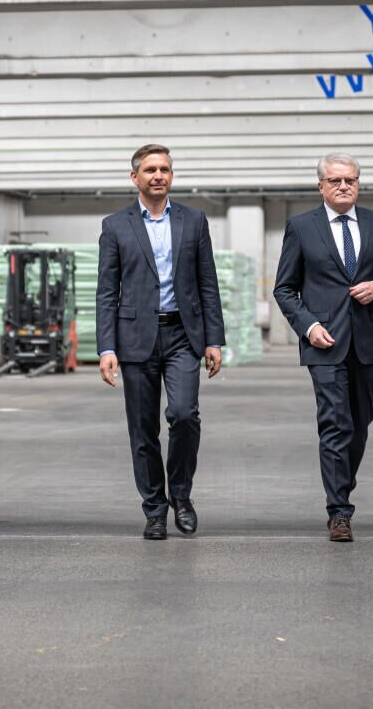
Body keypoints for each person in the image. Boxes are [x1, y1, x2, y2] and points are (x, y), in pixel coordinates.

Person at [96, 144, 226, 540]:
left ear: (171, 176)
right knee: (143, 429)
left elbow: (207, 282)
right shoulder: (115, 226)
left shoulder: (194, 220)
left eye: (165, 169)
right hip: (136, 337)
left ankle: (181, 495)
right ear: (134, 177)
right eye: (150, 169)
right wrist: (106, 348)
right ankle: (154, 509)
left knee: (184, 415)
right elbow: (107, 291)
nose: (158, 176)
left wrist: (214, 339)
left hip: (183, 334)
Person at [273, 153, 373, 542]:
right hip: (324, 341)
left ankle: (342, 487)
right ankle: (339, 511)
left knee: (360, 423)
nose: (344, 186)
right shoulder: (301, 227)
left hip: (366, 339)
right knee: (335, 422)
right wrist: (308, 326)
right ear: (321, 186)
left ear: (358, 184)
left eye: (350, 180)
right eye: (335, 181)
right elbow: (284, 289)